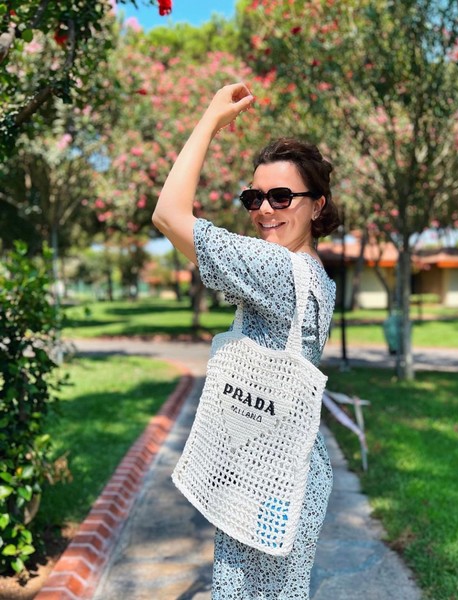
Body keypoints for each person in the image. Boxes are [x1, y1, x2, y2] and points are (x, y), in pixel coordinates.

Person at [152, 82, 340, 599]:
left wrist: (210, 120)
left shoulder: (276, 269)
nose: (264, 210)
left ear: (317, 206)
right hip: (289, 472)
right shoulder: (318, 276)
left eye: (282, 197)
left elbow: (168, 215)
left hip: (266, 480)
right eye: (254, 198)